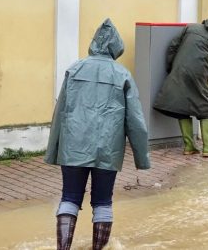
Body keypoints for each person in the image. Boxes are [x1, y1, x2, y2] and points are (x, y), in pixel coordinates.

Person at [45, 19, 150, 250]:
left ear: (94, 43)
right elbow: (136, 121)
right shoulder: (123, 74)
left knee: (69, 197)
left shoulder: (74, 69)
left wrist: (53, 150)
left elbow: (60, 112)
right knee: (103, 202)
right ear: (117, 47)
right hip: (108, 149)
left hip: (73, 145)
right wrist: (142, 159)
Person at [153, 18, 208, 157]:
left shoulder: (190, 27)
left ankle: (189, 146)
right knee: (205, 109)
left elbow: (173, 46)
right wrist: (204, 80)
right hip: (199, 74)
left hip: (179, 69)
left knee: (182, 107)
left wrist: (172, 67)